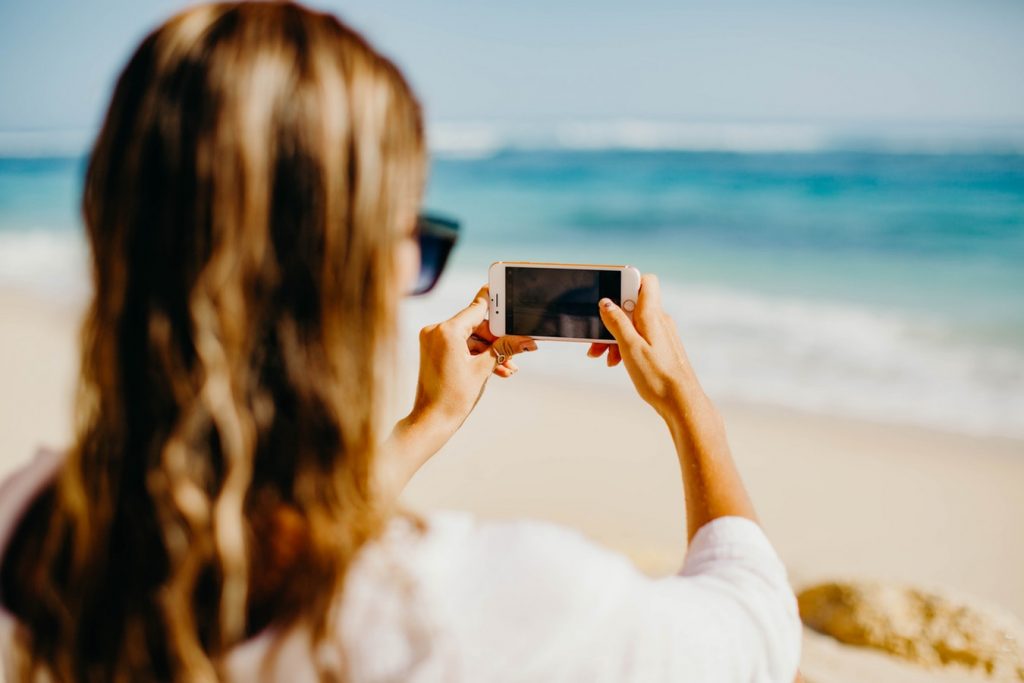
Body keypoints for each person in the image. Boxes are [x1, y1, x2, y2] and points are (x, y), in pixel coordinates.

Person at [0, 3, 801, 681]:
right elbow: (755, 628)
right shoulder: (463, 606)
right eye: (408, 233)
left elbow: (254, 535)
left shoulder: (28, 519)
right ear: (355, 268)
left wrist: (427, 423)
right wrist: (688, 404)